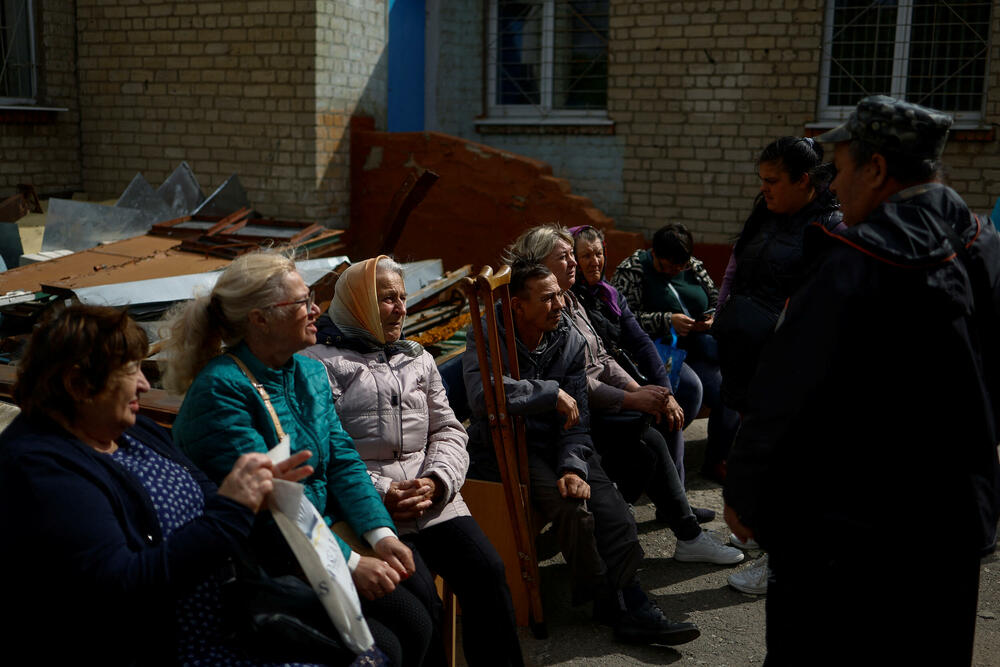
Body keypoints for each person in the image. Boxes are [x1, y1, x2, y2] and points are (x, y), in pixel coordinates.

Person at [723, 96, 1000, 665]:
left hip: (849, 532)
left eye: (842, 168)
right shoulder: (983, 245)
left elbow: (784, 388)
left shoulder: (854, 260)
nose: (835, 185)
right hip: (953, 522)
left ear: (877, 169)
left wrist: (746, 492)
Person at [0, 304, 328, 665]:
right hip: (175, 647)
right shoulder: (40, 469)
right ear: (78, 384)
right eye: (130, 370)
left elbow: (205, 493)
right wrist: (232, 510)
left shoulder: (132, 429)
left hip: (233, 616)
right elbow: (124, 586)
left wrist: (257, 496)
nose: (143, 383)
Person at [164, 250, 434, 667]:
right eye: (302, 302)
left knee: (421, 606)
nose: (316, 310)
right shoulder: (221, 391)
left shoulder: (305, 372)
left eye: (311, 298)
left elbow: (343, 459)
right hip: (267, 558)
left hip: (322, 536)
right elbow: (269, 507)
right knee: (389, 645)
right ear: (260, 318)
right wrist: (352, 562)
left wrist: (381, 535)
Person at [464, 260, 701, 647]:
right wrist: (547, 393)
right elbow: (483, 395)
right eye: (547, 298)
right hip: (512, 443)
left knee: (614, 509)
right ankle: (618, 603)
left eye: (559, 294)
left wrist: (573, 465)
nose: (559, 304)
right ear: (517, 306)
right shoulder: (488, 334)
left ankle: (627, 604)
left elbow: (580, 419)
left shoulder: (567, 338)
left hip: (560, 441)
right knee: (574, 510)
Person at [302, 255, 524, 667]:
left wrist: (437, 480)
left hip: (433, 497)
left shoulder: (416, 357)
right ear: (358, 303)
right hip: (373, 511)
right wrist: (386, 491)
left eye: (402, 298)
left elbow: (449, 429)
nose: (401, 309)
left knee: (489, 574)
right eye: (387, 299)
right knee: (423, 600)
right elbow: (330, 453)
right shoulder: (319, 364)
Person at [516, 223, 741, 566]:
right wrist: (635, 399)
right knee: (646, 439)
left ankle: (679, 528)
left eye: (594, 253)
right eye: (569, 256)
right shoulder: (547, 311)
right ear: (538, 265)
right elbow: (578, 382)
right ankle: (679, 531)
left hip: (585, 415)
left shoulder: (572, 300)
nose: (581, 262)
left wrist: (645, 389)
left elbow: (604, 357)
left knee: (655, 429)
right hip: (566, 427)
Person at [711, 136, 844, 593]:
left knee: (787, 462)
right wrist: (723, 312)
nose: (764, 190)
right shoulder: (768, 211)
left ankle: (779, 561)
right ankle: (761, 532)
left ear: (803, 181)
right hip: (746, 356)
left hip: (786, 368)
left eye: (772, 181)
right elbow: (738, 266)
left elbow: (818, 310)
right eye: (761, 181)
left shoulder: (828, 226)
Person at [611, 224, 741, 489]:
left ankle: (717, 459)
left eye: (679, 267)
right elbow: (621, 321)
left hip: (698, 347)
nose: (675, 271)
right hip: (659, 352)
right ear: (655, 254)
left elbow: (717, 298)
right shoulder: (632, 270)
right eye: (669, 266)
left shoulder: (691, 265)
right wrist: (666, 320)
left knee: (730, 388)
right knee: (691, 389)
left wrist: (711, 317)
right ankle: (662, 466)